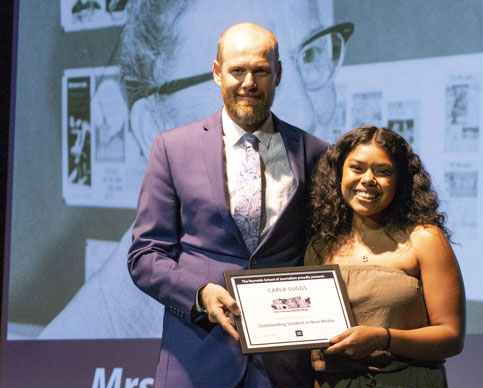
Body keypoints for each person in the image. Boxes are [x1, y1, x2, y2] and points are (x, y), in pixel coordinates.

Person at [38, 0, 353, 339]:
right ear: (153, 125)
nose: (304, 112)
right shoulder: (83, 341)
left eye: (308, 56)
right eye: (239, 74)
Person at [127, 22, 329, 388]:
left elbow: (326, 249)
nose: (249, 82)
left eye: (261, 70)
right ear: (217, 72)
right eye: (238, 70)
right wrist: (200, 293)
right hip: (196, 355)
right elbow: (144, 256)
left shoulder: (315, 152)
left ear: (279, 74)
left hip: (283, 365)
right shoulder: (173, 148)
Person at [305, 126, 465, 388]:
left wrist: (383, 338)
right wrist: (317, 357)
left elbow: (451, 336)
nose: (367, 180)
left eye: (383, 171)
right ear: (339, 174)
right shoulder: (321, 246)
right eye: (356, 168)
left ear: (400, 181)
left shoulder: (425, 238)